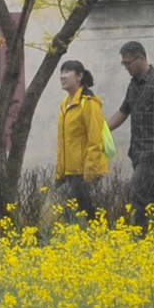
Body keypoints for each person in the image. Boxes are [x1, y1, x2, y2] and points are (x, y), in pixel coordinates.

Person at [107, 40, 154, 224]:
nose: (126, 67)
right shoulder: (133, 86)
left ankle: (140, 237)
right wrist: (102, 130)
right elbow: (123, 111)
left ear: (140, 58)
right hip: (137, 152)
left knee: (140, 196)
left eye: (127, 63)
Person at [53, 61, 109, 218]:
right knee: (86, 215)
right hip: (71, 171)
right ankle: (98, 238)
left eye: (68, 71)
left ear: (79, 76)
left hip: (84, 171)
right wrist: (60, 173)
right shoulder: (65, 105)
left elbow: (96, 140)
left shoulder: (89, 103)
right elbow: (64, 142)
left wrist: (89, 174)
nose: (62, 76)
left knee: (73, 214)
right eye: (61, 72)